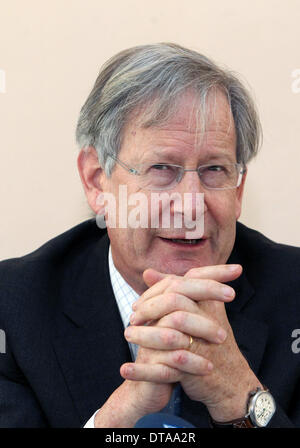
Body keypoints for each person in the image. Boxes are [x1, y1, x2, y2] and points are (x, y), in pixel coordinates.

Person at [0, 43, 299, 428]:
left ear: (238, 191)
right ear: (97, 182)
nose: (191, 205)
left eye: (214, 170)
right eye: (162, 168)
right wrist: (120, 415)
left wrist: (239, 397)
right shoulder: (13, 310)